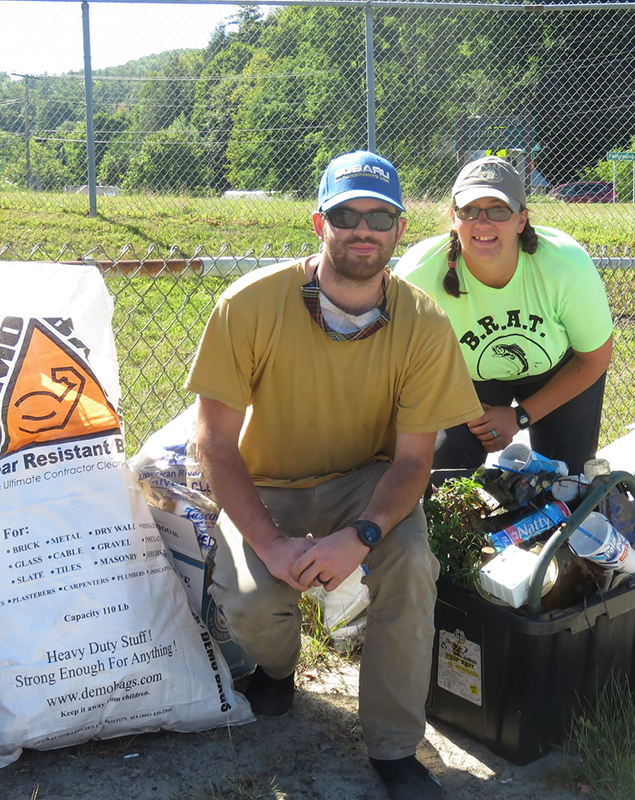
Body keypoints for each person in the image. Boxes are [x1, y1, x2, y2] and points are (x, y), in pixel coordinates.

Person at [185, 150, 481, 800]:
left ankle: (394, 749)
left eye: (380, 216)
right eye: (348, 213)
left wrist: (363, 536)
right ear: (320, 220)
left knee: (410, 565)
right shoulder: (251, 304)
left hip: (367, 482)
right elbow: (215, 443)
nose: (363, 229)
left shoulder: (425, 324)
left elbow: (412, 463)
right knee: (256, 601)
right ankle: (278, 671)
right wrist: (270, 542)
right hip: (268, 483)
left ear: (400, 229)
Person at [393, 157, 614, 479]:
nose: (483, 223)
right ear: (454, 218)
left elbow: (594, 360)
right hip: (462, 382)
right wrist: (461, 406)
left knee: (566, 485)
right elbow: (401, 365)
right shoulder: (419, 274)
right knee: (444, 481)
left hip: (557, 372)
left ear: (521, 220)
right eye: (469, 211)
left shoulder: (566, 267)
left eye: (498, 210)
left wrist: (519, 418)